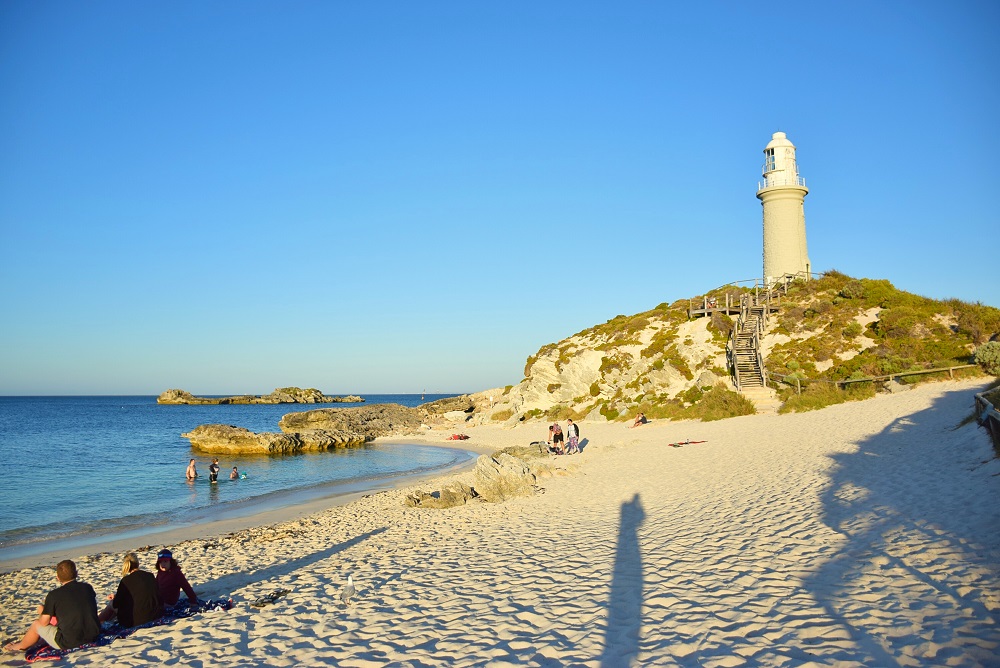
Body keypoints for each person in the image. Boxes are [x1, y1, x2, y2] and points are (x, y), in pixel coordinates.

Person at [3, 560, 100, 653]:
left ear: (58, 578)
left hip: (69, 642)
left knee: (36, 624)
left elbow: (44, 622)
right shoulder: (87, 587)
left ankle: (20, 646)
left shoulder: (54, 595)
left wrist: (42, 612)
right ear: (76, 573)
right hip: (94, 635)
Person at [98, 553, 163, 628]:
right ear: (138, 563)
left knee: (111, 604)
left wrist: (115, 597)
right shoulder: (150, 575)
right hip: (156, 615)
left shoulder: (126, 581)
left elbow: (116, 604)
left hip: (135, 621)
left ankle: (97, 623)